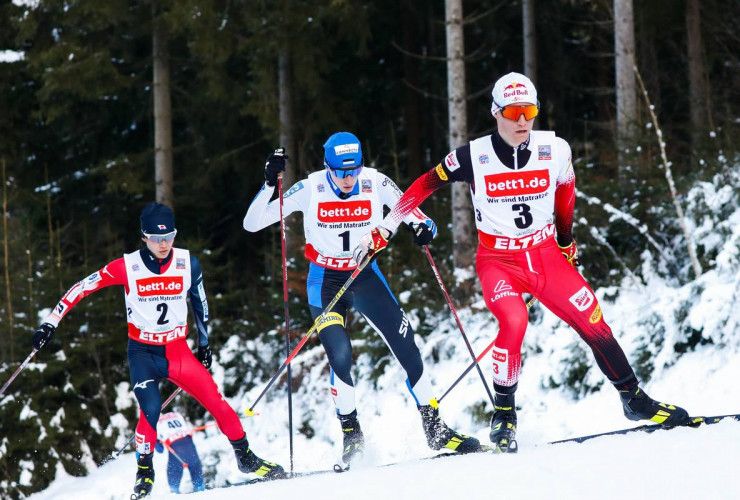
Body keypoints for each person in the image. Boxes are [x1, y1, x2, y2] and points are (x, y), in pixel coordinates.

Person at [353, 73, 690, 452]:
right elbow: (425, 184)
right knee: (514, 320)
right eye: (513, 112)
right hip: (498, 260)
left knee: (592, 319)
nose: (522, 121)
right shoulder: (472, 156)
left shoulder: (556, 149)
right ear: (496, 112)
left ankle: (634, 399)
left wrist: (565, 241)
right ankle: (504, 413)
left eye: (529, 111)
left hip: (546, 256)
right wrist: (387, 226)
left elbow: (566, 193)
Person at [243, 133, 482, 467]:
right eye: (340, 171)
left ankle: (435, 428)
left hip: (365, 276)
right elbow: (252, 223)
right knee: (341, 355)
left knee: (407, 346)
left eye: (353, 169)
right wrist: (270, 183)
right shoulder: (310, 188)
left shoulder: (375, 182)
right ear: (327, 167)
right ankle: (352, 435)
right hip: (324, 281)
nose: (347, 178)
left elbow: (415, 214)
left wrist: (426, 228)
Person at [32, 203, 285, 498]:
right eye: (155, 237)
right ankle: (144, 472)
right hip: (142, 352)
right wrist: (51, 322)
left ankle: (245, 457)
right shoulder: (126, 266)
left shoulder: (187, 263)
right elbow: (82, 287)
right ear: (144, 237)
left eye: (169, 237)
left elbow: (200, 303)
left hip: (177, 351)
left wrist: (204, 344)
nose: (163, 244)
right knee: (150, 409)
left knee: (217, 402)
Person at [155, 411, 205, 493]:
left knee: (173, 481)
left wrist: (157, 441)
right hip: (189, 444)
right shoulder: (176, 414)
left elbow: (160, 450)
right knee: (196, 473)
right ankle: (200, 489)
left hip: (175, 449)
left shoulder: (154, 423)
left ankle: (175, 492)